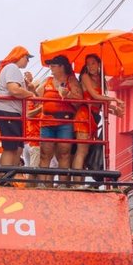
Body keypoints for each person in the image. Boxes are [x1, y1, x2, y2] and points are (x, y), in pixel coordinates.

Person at [72, 54, 124, 179]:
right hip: (84, 116)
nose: (90, 66)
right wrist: (114, 99)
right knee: (82, 152)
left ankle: (79, 182)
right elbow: (94, 96)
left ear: (99, 64)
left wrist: (113, 110)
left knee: (85, 153)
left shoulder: (101, 81)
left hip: (94, 118)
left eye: (93, 63)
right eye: (88, 64)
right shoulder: (85, 76)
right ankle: (77, 183)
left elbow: (99, 103)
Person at [39, 55, 82, 183]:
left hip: (65, 122)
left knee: (64, 153)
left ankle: (62, 184)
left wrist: (67, 94)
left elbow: (79, 99)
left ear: (61, 67)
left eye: (53, 65)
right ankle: (42, 184)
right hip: (47, 121)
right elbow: (35, 94)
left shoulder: (71, 80)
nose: (50, 68)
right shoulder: (47, 80)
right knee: (45, 154)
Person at [0, 46, 36, 167]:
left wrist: (27, 88)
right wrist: (31, 94)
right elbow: (14, 90)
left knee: (16, 147)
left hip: (10, 110)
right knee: (11, 147)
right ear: (19, 56)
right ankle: (3, 178)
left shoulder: (11, 68)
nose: (28, 61)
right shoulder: (12, 68)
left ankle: (7, 177)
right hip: (8, 110)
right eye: (27, 57)